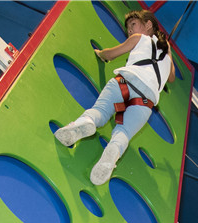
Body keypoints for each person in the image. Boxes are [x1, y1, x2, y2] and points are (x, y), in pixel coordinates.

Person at [53, 9, 174, 185]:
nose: (130, 31)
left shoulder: (139, 39)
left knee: (100, 111)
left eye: (133, 25)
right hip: (145, 102)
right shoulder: (167, 57)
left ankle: (85, 122)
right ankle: (113, 152)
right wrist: (168, 51)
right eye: (128, 29)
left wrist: (100, 53)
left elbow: (110, 54)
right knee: (124, 132)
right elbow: (171, 77)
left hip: (125, 82)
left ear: (148, 24)